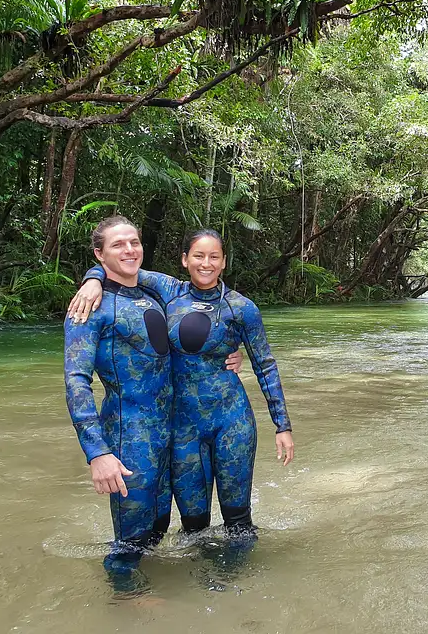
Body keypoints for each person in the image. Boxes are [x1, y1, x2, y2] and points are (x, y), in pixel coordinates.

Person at [69, 228, 294, 539]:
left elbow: (265, 366)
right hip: (181, 426)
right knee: (193, 527)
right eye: (198, 256)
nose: (206, 263)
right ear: (185, 259)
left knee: (238, 521)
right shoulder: (167, 290)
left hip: (232, 419)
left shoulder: (241, 308)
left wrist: (282, 426)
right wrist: (91, 280)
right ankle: (193, 584)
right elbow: (119, 265)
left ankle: (238, 582)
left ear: (224, 262)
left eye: (214, 256)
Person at [63, 216, 242, 594]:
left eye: (134, 242)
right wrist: (97, 453)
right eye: (117, 245)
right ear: (99, 253)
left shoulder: (156, 291)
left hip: (169, 434)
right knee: (129, 541)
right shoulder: (88, 308)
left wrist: (228, 352)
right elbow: (76, 382)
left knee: (158, 530)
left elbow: (206, 303)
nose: (129, 250)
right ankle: (130, 600)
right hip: (129, 437)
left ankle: (164, 591)